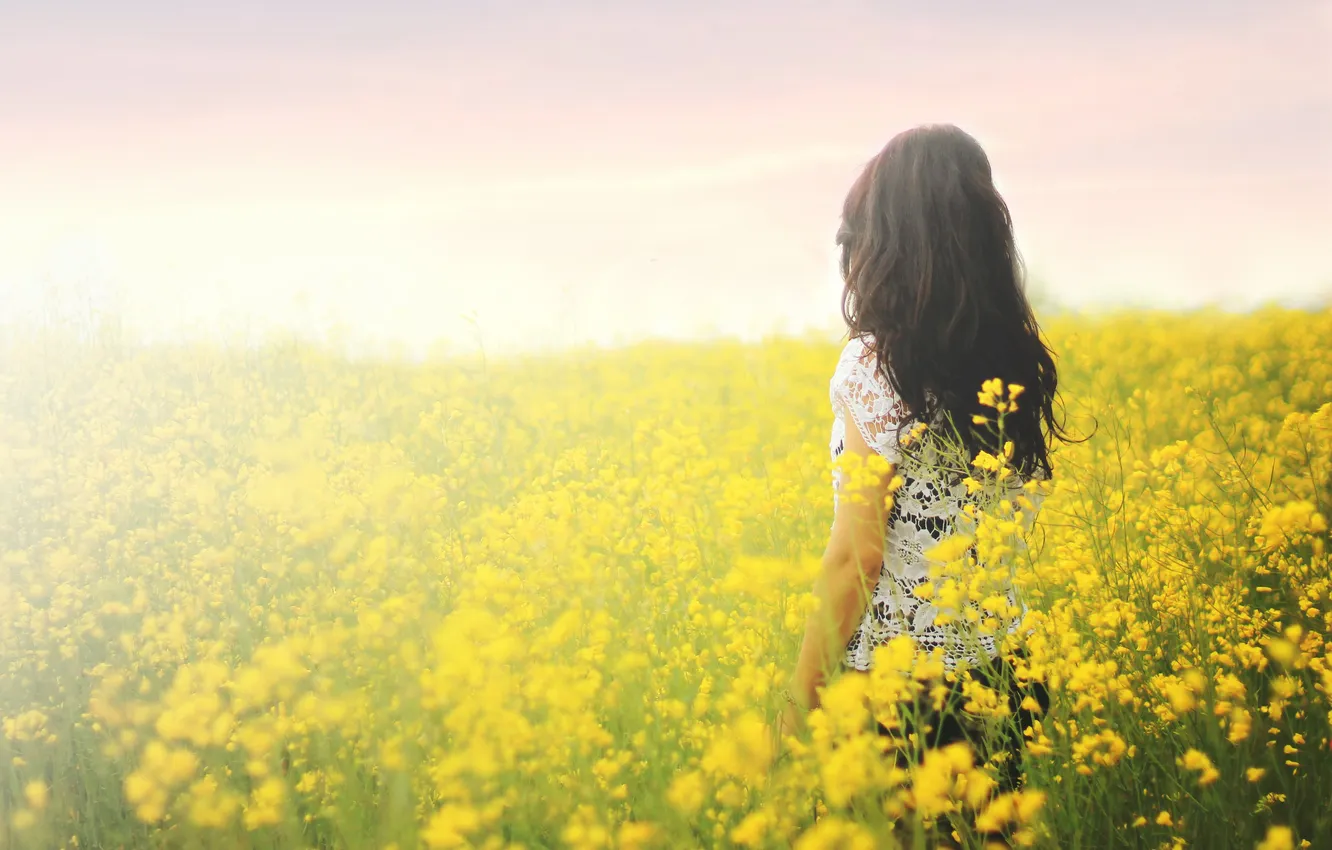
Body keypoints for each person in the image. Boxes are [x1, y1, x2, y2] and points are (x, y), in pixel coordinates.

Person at [779, 124, 1066, 792]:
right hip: (1006, 673)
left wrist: (798, 713)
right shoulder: (1012, 358)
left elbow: (858, 557)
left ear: (886, 244)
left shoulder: (875, 365)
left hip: (904, 695)